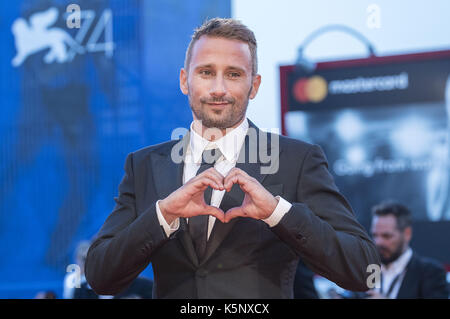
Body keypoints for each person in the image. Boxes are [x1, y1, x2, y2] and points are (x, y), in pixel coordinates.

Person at [85, 17, 379, 299]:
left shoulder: (296, 160)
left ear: (254, 85)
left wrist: (278, 213)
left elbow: (364, 270)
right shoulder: (144, 166)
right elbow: (100, 277)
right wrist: (164, 214)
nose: (218, 89)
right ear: (185, 80)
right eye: (206, 72)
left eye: (234, 74)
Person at [365, 200, 449, 299]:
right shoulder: (369, 268)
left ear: (407, 234)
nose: (378, 242)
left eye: (386, 236)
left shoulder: (431, 273)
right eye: (375, 235)